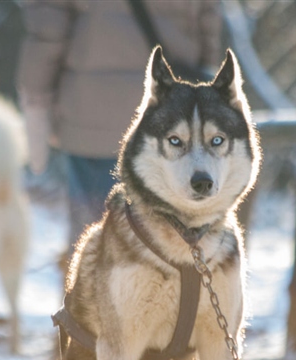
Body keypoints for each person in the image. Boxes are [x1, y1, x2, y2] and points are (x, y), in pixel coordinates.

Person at [17, 0, 223, 252]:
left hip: (93, 114)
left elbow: (48, 27)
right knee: (172, 251)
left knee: (96, 246)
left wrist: (36, 100)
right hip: (176, 114)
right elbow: (210, 21)